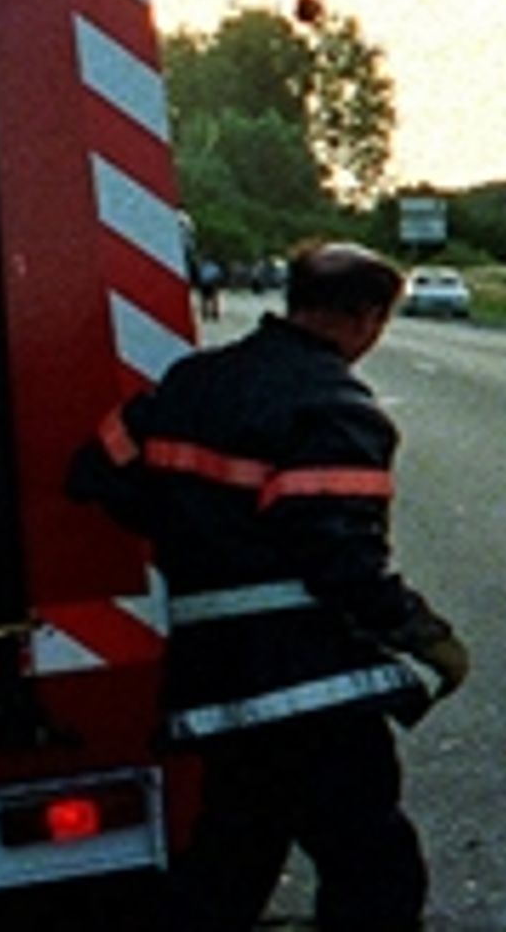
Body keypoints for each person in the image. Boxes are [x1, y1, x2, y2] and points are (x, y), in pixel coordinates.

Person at [68, 241, 469, 932]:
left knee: (234, 856)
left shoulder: (191, 382)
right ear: (368, 317)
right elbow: (338, 553)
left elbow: (93, 472)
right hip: (309, 681)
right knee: (372, 864)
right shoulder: (335, 405)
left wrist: (185, 529)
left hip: (214, 676)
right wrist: (423, 633)